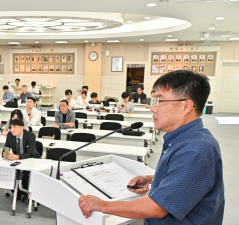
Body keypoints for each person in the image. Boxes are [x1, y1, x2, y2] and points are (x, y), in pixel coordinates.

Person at [78, 70, 224, 224]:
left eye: (160, 101)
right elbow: (186, 179)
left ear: (186, 106)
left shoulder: (195, 150)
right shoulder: (185, 139)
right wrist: (153, 180)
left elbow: (157, 207)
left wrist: (102, 205)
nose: (153, 108)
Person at [2, 119, 40, 201]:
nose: (12, 130)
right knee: (11, 171)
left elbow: (31, 152)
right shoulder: (10, 135)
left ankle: (26, 192)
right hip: (18, 160)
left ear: (22, 127)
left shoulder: (31, 135)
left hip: (32, 160)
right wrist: (5, 154)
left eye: (15, 127)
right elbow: (6, 147)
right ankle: (18, 191)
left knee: (26, 173)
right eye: (11, 127)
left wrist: (18, 157)